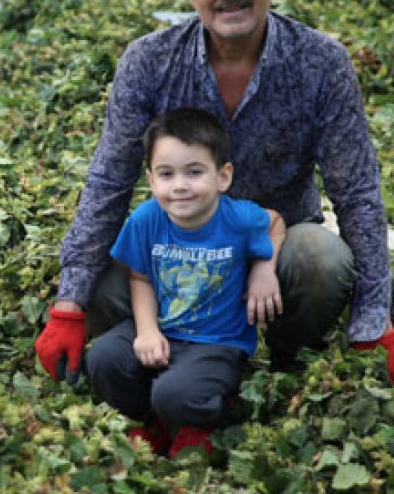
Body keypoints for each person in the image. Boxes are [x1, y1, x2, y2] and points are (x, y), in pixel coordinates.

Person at [35, 0, 394, 392]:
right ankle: (171, 358)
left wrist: (375, 319)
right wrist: (69, 306)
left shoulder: (321, 63)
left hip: (277, 254)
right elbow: (109, 182)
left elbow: (356, 193)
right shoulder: (149, 62)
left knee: (322, 257)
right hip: (178, 252)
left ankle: (285, 366)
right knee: (109, 267)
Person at [86, 108, 285, 457]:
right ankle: (151, 421)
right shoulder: (147, 219)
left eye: (194, 172)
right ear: (150, 179)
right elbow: (140, 276)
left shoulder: (236, 217)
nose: (179, 185)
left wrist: (264, 268)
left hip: (217, 342)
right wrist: (147, 331)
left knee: (174, 393)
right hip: (164, 329)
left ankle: (208, 416)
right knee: (104, 357)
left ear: (223, 177)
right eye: (166, 174)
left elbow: (275, 221)